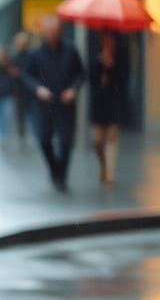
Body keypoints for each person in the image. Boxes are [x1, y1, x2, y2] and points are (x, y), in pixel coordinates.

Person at [23, 14, 84, 192]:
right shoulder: (36, 54)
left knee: (66, 141)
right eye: (49, 31)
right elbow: (27, 76)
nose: (52, 35)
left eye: (55, 31)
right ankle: (54, 169)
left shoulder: (71, 51)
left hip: (66, 104)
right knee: (44, 140)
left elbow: (80, 74)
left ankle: (62, 176)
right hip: (45, 104)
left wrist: (73, 89)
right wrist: (38, 89)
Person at [88, 31, 127, 185]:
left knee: (112, 137)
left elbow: (124, 78)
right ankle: (103, 165)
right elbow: (90, 78)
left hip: (114, 100)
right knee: (98, 141)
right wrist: (100, 65)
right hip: (99, 102)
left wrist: (112, 68)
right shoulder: (95, 55)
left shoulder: (120, 56)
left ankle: (110, 172)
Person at [9, 31, 36, 144]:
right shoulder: (14, 57)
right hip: (18, 91)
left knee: (33, 114)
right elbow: (9, 72)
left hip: (31, 91)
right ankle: (22, 135)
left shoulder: (32, 56)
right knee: (20, 116)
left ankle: (33, 133)